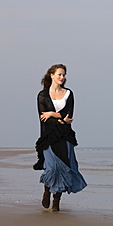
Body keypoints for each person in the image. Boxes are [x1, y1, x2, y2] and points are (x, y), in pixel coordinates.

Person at [33, 64, 87, 211]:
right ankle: (46, 191)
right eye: (59, 75)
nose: (62, 77)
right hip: (48, 137)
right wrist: (60, 119)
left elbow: (69, 113)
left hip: (65, 136)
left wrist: (52, 114)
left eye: (64, 75)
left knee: (63, 168)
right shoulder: (42, 95)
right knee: (51, 168)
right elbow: (43, 118)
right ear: (52, 75)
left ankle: (56, 202)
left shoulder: (69, 93)